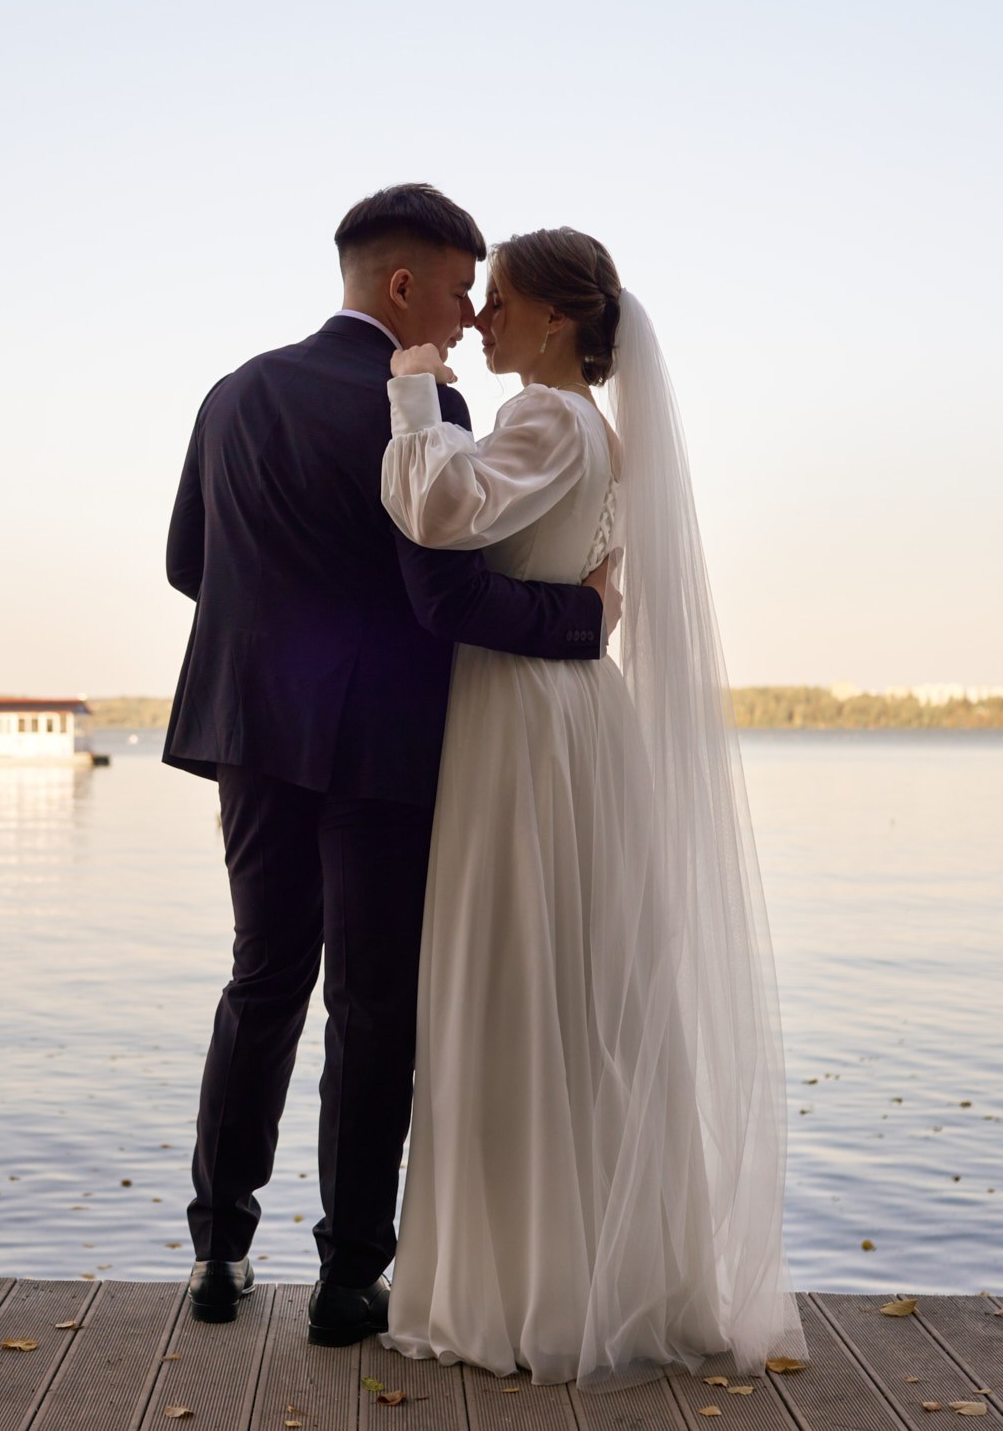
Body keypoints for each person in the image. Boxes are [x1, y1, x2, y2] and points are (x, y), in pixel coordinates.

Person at [162, 186, 616, 1347]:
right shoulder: (429, 403)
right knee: (371, 1009)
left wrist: (274, 636)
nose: (471, 317)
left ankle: (218, 1251)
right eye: (466, 288)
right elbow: (440, 583)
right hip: (385, 744)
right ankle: (349, 1278)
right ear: (405, 284)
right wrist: (581, 621)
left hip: (253, 733)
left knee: (261, 982)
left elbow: (185, 565)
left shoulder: (235, 392)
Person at [377, 228, 802, 1387]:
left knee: (515, 982)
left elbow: (444, 512)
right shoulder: (604, 434)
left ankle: (512, 1294)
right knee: (571, 990)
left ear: (558, 319)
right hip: (574, 716)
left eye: (500, 300)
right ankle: (587, 1272)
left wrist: (417, 398)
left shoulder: (548, 419)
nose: (479, 321)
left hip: (522, 721)